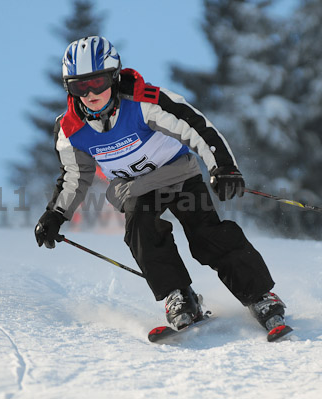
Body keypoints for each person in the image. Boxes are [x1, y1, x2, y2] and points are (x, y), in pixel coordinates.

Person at [35, 36, 287, 333]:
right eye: (79, 86)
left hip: (179, 174)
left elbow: (194, 126)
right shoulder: (70, 129)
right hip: (135, 189)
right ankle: (179, 296)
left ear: (114, 77)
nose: (90, 93)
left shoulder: (143, 102)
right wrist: (56, 214)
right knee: (141, 232)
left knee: (207, 234)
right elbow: (75, 177)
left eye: (98, 82)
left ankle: (260, 296)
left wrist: (223, 167)